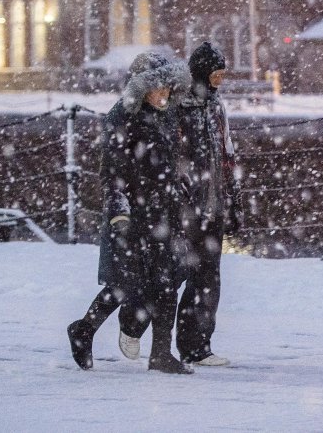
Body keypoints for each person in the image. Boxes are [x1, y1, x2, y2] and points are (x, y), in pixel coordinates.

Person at [66, 51, 193, 375]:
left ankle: (161, 354)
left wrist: (180, 188)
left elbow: (168, 163)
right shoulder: (122, 117)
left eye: (168, 86)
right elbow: (112, 172)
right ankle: (84, 329)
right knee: (126, 284)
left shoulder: (166, 115)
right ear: (142, 88)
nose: (164, 92)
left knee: (166, 282)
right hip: (134, 215)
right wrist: (120, 214)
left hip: (163, 211)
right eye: (158, 87)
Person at [120, 41, 243, 367]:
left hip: (212, 205)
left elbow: (227, 154)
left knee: (208, 277)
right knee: (172, 274)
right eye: (216, 74)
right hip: (183, 206)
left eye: (222, 74)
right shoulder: (178, 108)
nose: (220, 80)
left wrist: (233, 200)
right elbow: (169, 157)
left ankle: (196, 346)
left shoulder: (216, 108)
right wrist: (179, 193)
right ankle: (133, 320)